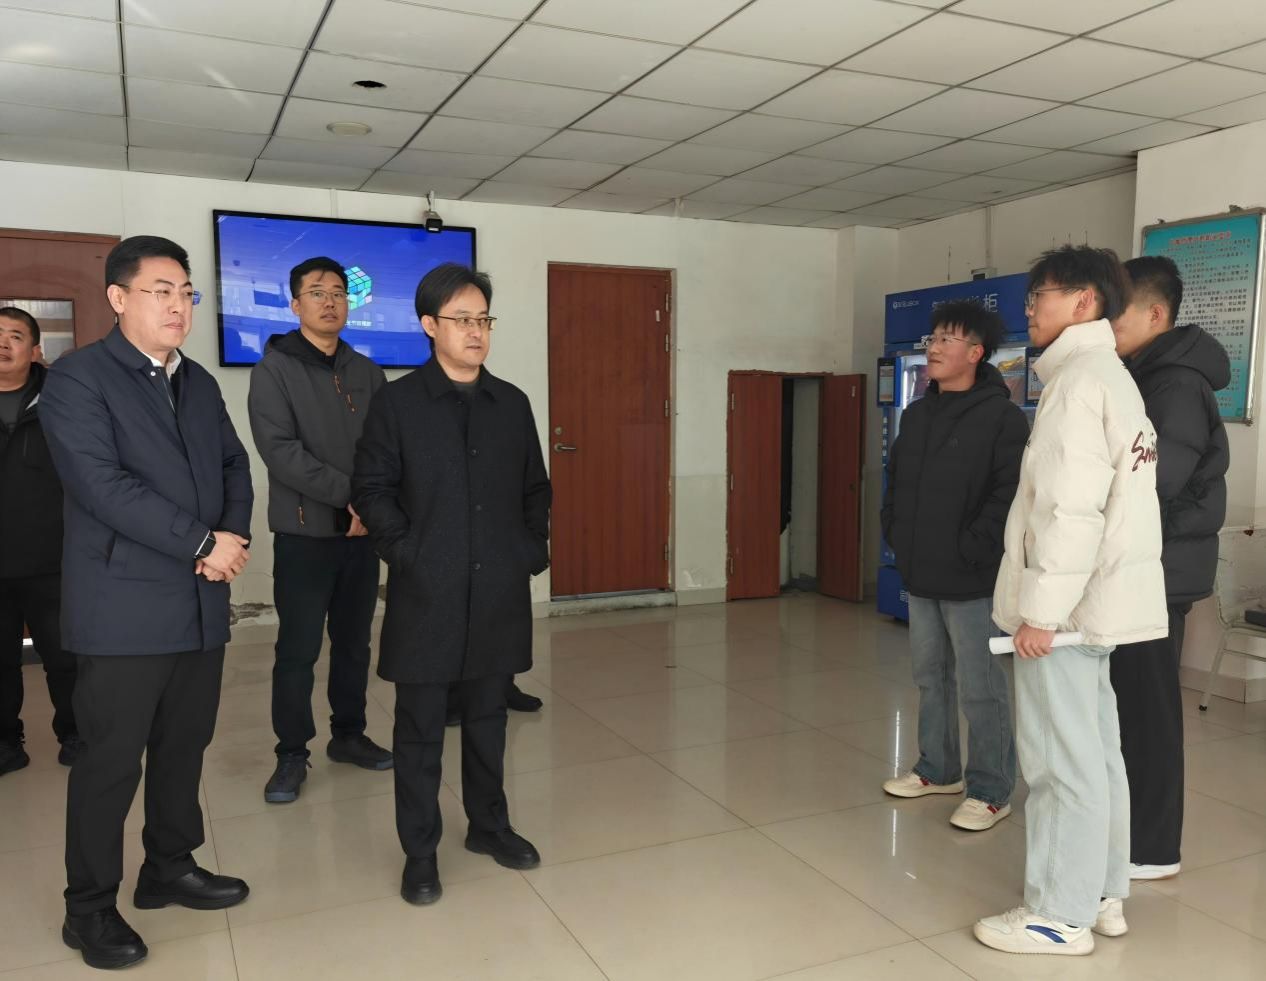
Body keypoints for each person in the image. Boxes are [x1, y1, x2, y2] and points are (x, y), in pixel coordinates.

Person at [39, 236, 254, 971]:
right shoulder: (79, 379)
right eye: (161, 290)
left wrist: (230, 537)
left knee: (183, 746)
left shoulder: (196, 380)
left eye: (186, 292)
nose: (178, 305)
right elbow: (102, 485)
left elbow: (234, 461)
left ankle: (169, 865)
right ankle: (89, 908)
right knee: (110, 762)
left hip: (199, 601)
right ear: (118, 298)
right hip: (123, 609)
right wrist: (203, 540)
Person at [975, 245, 1167, 956]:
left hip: (1067, 614)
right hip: (1098, 607)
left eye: (1042, 296)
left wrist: (1042, 614)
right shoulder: (1112, 377)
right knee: (1099, 754)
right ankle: (1102, 891)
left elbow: (1069, 512)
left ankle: (1058, 914)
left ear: (1085, 301)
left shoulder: (1079, 385)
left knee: (1060, 762)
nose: (1029, 309)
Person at [353, 262, 550, 906]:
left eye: (483, 319)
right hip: (427, 594)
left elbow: (535, 489)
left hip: (497, 590)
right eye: (461, 319)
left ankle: (489, 826)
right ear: (429, 325)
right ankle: (420, 852)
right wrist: (408, 554)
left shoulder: (511, 404)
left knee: (489, 718)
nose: (476, 331)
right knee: (420, 729)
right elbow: (373, 491)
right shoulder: (398, 403)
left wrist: (528, 550)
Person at [248, 256, 392, 805]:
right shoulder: (274, 370)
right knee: (298, 650)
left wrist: (372, 502)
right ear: (295, 305)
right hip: (306, 535)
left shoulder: (367, 371)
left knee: (354, 643)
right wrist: (352, 496)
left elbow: (387, 447)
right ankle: (291, 753)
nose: (329, 301)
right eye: (316, 292)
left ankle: (348, 735)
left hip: (361, 534)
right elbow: (280, 451)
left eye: (338, 292)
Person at [879, 299, 1025, 831]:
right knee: (930, 676)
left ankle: (991, 789)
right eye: (932, 339)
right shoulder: (919, 414)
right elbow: (897, 482)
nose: (934, 348)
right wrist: (895, 532)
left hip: (973, 577)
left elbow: (1009, 495)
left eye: (946, 339)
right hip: (921, 570)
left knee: (980, 686)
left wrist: (973, 547)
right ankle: (938, 769)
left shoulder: (1002, 418)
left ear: (976, 352)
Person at [1110, 255, 1229, 881]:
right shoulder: (1147, 374)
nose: (1107, 321)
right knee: (1133, 706)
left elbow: (1153, 485)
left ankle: (1152, 848)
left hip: (1156, 572)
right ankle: (1131, 834)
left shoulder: (1175, 384)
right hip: (1146, 567)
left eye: (1118, 310)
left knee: (1149, 711)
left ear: (1156, 313)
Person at [0, 307, 79, 774]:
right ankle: (6, 743)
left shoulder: (62, 400)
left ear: (35, 351)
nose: (3, 343)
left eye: (15, 335)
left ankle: (75, 734)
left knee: (66, 658)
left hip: (54, 556)